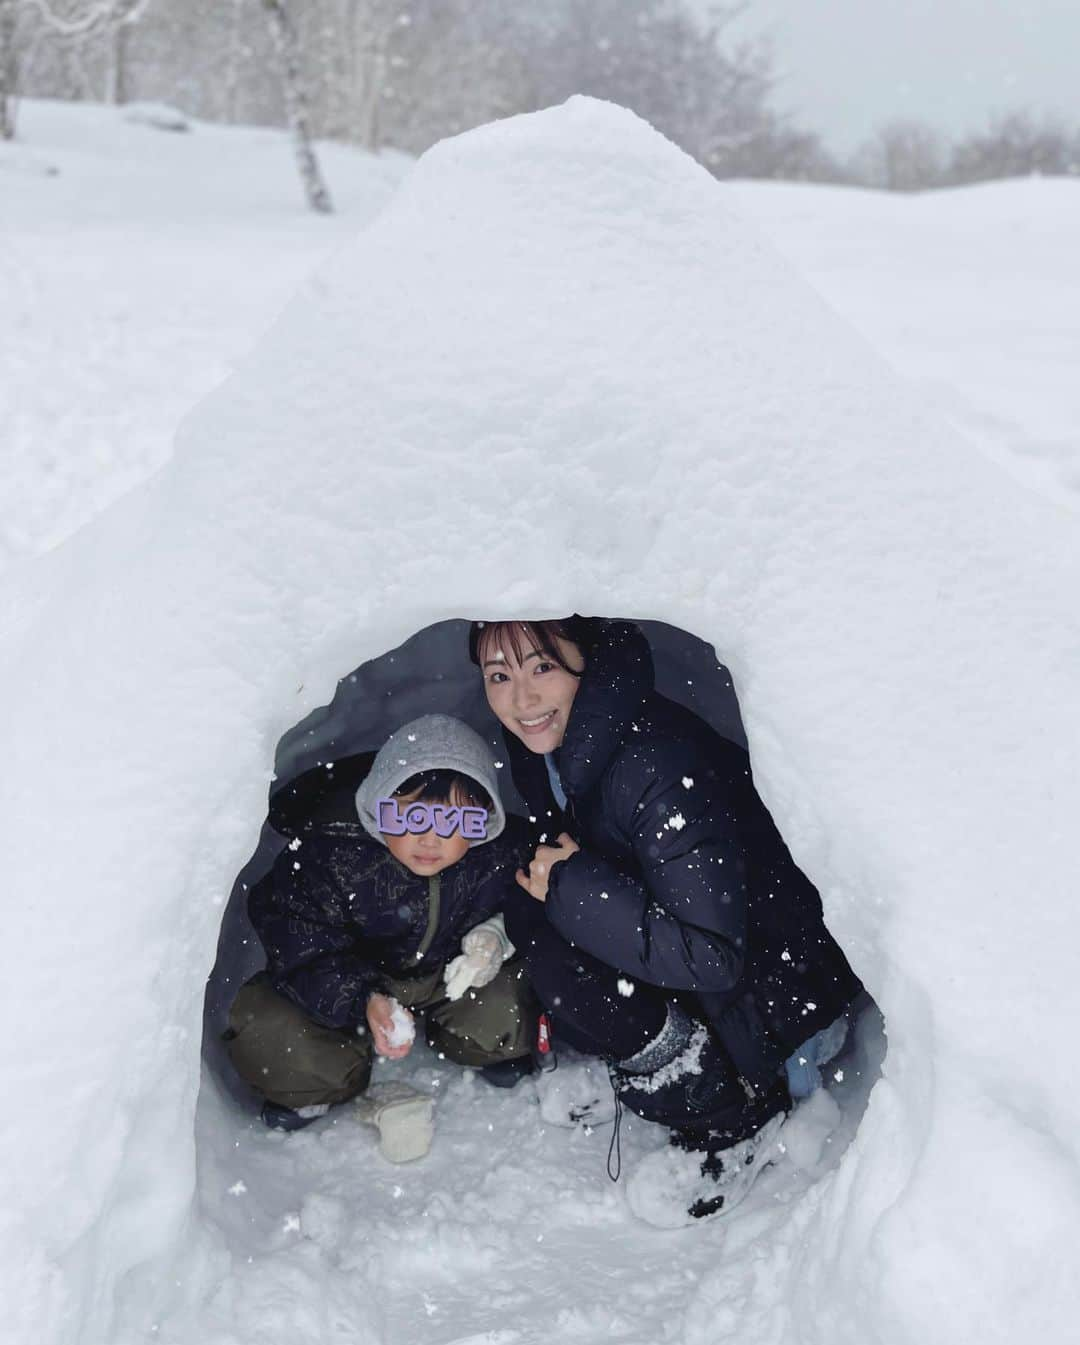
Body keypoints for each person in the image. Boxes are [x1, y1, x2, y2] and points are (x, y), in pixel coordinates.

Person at [469, 616, 865, 1224]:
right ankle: (651, 1064)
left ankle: (735, 1115)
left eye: (543, 667)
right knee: (533, 903)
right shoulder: (557, 741)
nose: (521, 699)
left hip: (782, 1009)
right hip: (720, 979)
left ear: (589, 658)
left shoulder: (653, 761)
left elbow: (712, 953)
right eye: (500, 674)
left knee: (562, 942)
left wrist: (573, 883)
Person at [224, 714, 537, 1158]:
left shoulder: (498, 855)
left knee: (510, 1004)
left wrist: (495, 937)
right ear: (375, 806)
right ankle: (323, 1077)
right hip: (353, 980)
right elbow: (300, 943)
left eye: (455, 822)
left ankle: (478, 1042)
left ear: (483, 822)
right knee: (275, 1037)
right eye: (409, 817)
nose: (431, 839)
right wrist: (362, 997)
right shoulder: (331, 856)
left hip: (448, 976)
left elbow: (535, 902)